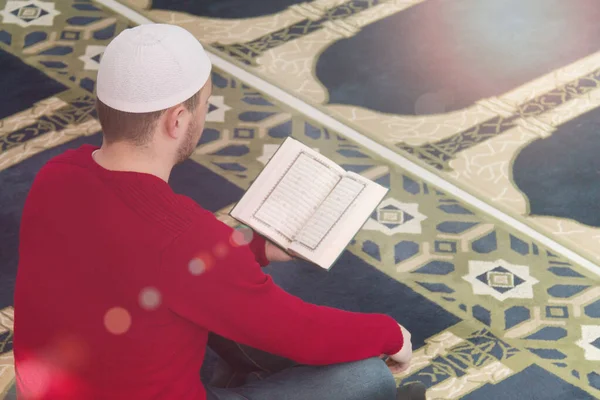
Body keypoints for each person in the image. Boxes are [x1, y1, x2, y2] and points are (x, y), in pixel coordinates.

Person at [13, 24, 424, 400]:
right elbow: (300, 333)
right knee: (368, 378)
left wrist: (257, 249)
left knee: (210, 308)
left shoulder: (58, 174)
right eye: (205, 105)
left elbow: (143, 263)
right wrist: (389, 333)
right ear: (177, 120)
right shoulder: (182, 237)